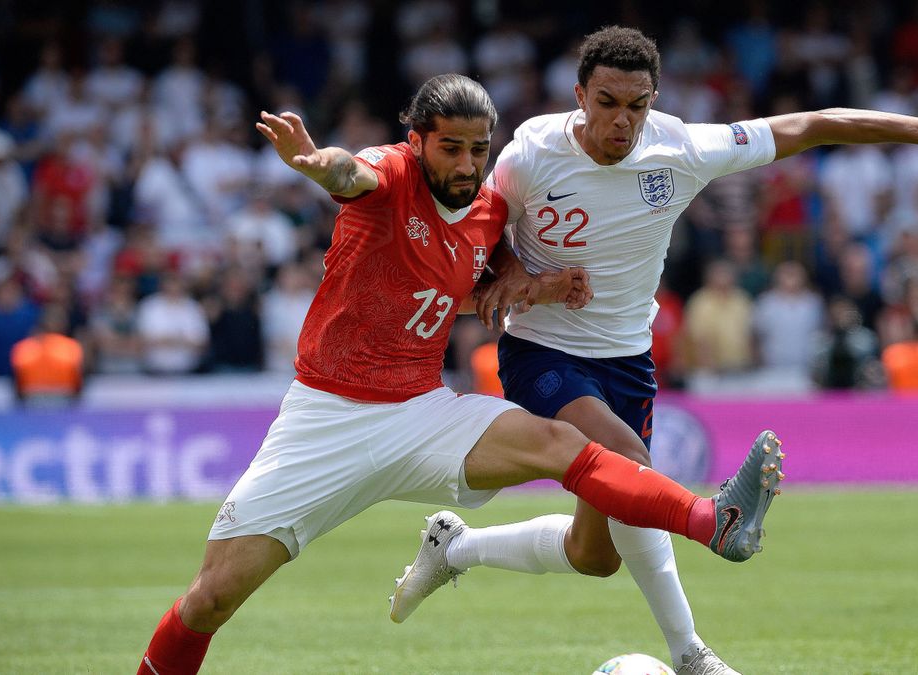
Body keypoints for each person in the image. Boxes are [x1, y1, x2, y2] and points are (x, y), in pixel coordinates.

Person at [390, 26, 918, 675]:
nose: (621, 120)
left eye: (636, 104)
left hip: (628, 363)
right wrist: (516, 273)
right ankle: (691, 650)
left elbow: (813, 125)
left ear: (654, 99)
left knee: (596, 552)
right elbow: (472, 247)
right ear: (579, 95)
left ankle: (454, 548)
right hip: (542, 352)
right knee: (629, 459)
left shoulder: (682, 148)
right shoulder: (530, 155)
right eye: (606, 101)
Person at [136, 74, 785, 675]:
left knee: (563, 445)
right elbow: (348, 171)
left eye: (479, 150)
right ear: (416, 140)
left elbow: (478, 290)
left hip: (421, 409)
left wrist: (544, 286)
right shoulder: (390, 175)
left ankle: (712, 519)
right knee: (211, 599)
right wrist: (315, 162)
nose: (467, 165)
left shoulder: (488, 212)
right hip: (325, 417)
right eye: (450, 148)